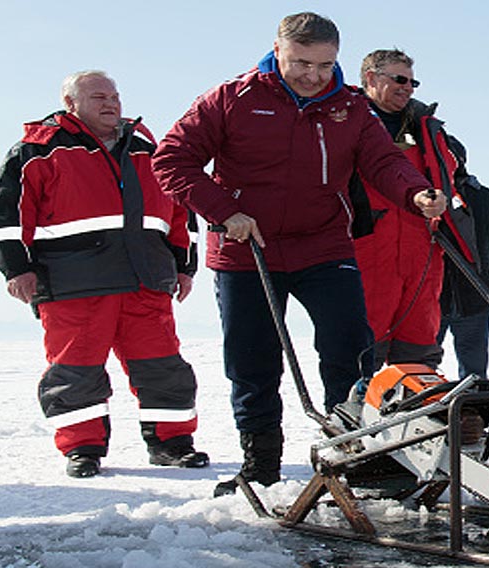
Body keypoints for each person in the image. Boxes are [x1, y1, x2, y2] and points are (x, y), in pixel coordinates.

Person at [152, 13, 446, 496]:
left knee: (349, 346)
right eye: (302, 64)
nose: (314, 76)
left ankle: (354, 452)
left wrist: (415, 192)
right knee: (254, 359)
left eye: (325, 65)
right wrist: (225, 212)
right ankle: (261, 465)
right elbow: (172, 159)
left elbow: (384, 162)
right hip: (247, 249)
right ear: (277, 52)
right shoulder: (232, 99)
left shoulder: (350, 107)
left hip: (323, 244)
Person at [0, 70, 206, 479]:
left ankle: (173, 444)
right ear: (71, 104)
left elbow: (180, 212)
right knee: (76, 370)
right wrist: (16, 268)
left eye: (114, 96)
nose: (111, 104)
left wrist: (184, 266)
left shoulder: (147, 148)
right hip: (73, 283)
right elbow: (7, 215)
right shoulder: (38, 149)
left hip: (145, 280)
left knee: (163, 366)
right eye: (98, 97)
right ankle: (82, 449)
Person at [351, 49, 473, 371]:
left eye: (412, 82)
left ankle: (417, 401)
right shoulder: (346, 120)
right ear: (371, 78)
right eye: (399, 80)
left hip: (423, 249)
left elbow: (451, 180)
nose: (407, 88)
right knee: (361, 347)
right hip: (366, 247)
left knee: (419, 344)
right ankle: (355, 402)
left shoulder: (427, 129)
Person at [437, 171, 489, 380]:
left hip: (450, 294)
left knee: (418, 366)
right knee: (474, 371)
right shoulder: (487, 197)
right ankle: (473, 402)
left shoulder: (424, 199)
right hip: (474, 292)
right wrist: (485, 269)